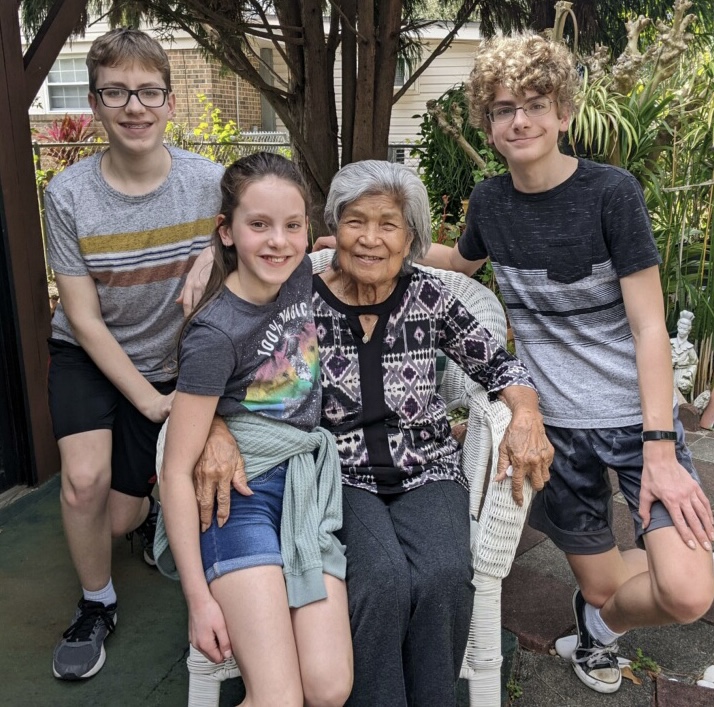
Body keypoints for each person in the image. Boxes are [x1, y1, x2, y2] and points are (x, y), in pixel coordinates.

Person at [194, 159, 553, 706]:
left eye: (388, 224)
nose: (370, 238)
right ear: (334, 228)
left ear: (411, 238)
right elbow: (229, 373)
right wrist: (216, 426)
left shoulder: (429, 295)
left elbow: (500, 366)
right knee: (380, 580)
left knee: (443, 573)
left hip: (428, 467)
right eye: (355, 221)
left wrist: (525, 414)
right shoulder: (298, 294)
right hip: (339, 474)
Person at [421, 32, 714, 695]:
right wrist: (367, 238)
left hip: (638, 422)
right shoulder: (491, 202)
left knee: (688, 593)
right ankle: (598, 611)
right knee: (608, 584)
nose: (519, 120)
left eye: (535, 104)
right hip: (557, 430)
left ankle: (599, 627)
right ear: (488, 124)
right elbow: (460, 262)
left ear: (562, 112)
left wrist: (661, 448)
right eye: (503, 109)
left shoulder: (611, 193)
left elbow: (649, 327)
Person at [45, 28, 224, 680]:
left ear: (170, 102)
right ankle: (97, 602)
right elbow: (84, 319)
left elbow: (265, 230)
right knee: (83, 483)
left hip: (175, 355)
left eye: (148, 92)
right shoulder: (67, 195)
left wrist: (213, 252)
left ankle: (143, 517)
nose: (134, 107)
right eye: (116, 92)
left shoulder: (209, 183)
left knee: (120, 515)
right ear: (95, 104)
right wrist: (149, 401)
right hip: (92, 355)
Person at [158, 152, 353, 706]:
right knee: (278, 699)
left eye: (292, 226)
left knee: (329, 688)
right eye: (259, 225)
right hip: (238, 501)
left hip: (304, 491)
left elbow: (374, 246)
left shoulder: (300, 274)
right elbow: (175, 472)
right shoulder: (215, 333)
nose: (278, 241)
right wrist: (198, 599)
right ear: (228, 230)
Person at [670, 310, 698, 397]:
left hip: (681, 374)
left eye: (685, 329)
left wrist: (689, 373)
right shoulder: (670, 343)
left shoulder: (689, 348)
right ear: (678, 326)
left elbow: (694, 363)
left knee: (679, 397)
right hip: (669, 372)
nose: (682, 331)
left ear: (689, 330)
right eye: (680, 328)